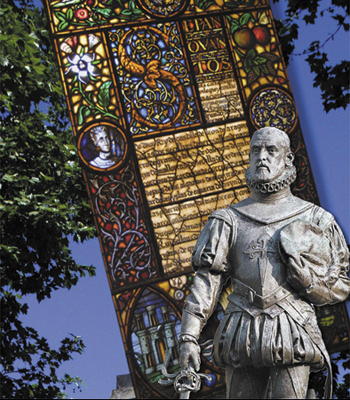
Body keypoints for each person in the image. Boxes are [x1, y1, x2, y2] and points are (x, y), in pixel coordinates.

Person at [179, 127, 350, 399]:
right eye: (255, 150)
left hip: (292, 327)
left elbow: (340, 284)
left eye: (271, 150)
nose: (262, 157)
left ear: (288, 159)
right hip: (240, 332)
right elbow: (206, 283)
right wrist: (189, 337)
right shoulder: (227, 220)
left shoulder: (317, 219)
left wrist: (309, 283)